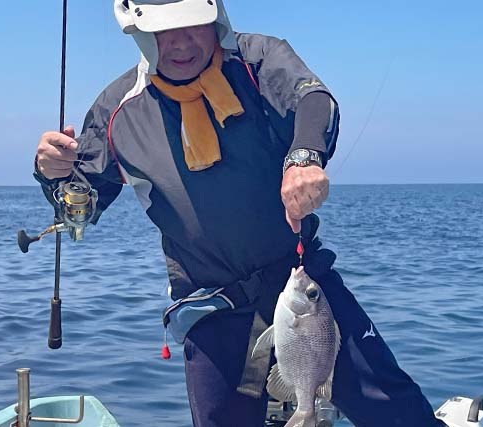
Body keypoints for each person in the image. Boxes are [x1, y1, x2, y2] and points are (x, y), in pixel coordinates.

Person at [34, 1, 446, 426]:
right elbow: (81, 208)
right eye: (164, 31)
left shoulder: (257, 61)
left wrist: (304, 157)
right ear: (139, 35)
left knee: (396, 408)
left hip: (299, 283)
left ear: (216, 19)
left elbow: (313, 101)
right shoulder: (118, 111)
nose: (180, 42)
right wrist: (52, 174)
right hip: (210, 305)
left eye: (192, 25)